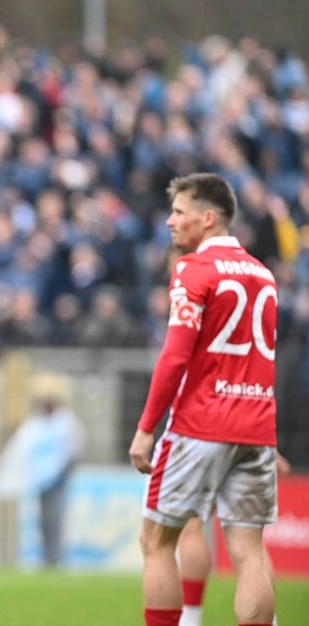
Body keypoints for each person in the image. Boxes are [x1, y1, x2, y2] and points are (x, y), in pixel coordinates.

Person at [128, 173, 279, 626]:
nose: (170, 222)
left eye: (178, 212)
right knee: (250, 553)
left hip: (200, 423)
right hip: (256, 426)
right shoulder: (263, 275)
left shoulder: (193, 270)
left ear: (207, 218)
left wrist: (146, 427)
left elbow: (175, 356)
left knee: (157, 543)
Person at [177, 453, 290, 626]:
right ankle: (270, 620)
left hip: (206, 441)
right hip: (251, 443)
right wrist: (267, 450)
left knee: (191, 526)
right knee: (251, 544)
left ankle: (189, 620)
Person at [0, 372, 85, 567]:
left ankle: (55, 558)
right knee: (43, 520)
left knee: (55, 518)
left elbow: (73, 449)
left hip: (59, 478)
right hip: (40, 478)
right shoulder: (35, 424)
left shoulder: (66, 422)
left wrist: (62, 472)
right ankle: (46, 558)